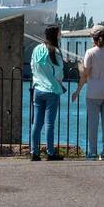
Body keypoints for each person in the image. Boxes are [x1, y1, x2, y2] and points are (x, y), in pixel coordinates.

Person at [73, 25, 104, 160]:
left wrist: (77, 91)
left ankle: (92, 152)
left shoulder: (90, 53)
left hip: (93, 93)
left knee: (93, 124)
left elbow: (85, 74)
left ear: (93, 38)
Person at [30, 25, 65, 162]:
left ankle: (34, 152)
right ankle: (50, 152)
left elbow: (33, 67)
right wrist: (59, 82)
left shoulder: (36, 49)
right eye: (59, 32)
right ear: (55, 35)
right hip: (52, 90)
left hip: (38, 89)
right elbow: (59, 72)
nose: (60, 34)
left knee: (36, 123)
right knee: (49, 123)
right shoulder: (55, 51)